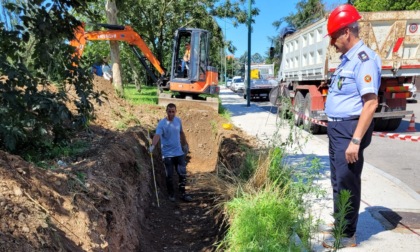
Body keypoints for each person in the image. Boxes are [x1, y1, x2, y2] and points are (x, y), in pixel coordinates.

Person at [322, 4, 381, 249]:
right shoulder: (348, 60)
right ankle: (340, 223)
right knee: (338, 180)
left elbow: (371, 103)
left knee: (347, 181)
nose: (333, 42)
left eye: (335, 36)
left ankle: (347, 235)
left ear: (347, 32)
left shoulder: (364, 60)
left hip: (349, 129)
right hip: (338, 129)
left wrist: (355, 141)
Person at [149, 103, 192, 202]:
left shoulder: (178, 121)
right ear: (166, 111)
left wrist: (185, 144)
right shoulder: (162, 124)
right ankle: (171, 194)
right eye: (169, 111)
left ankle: (183, 193)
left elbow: (181, 132)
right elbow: (157, 136)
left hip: (179, 153)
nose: (171, 113)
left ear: (175, 112)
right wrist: (152, 146)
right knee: (169, 175)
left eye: (173, 111)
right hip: (168, 155)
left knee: (182, 174)